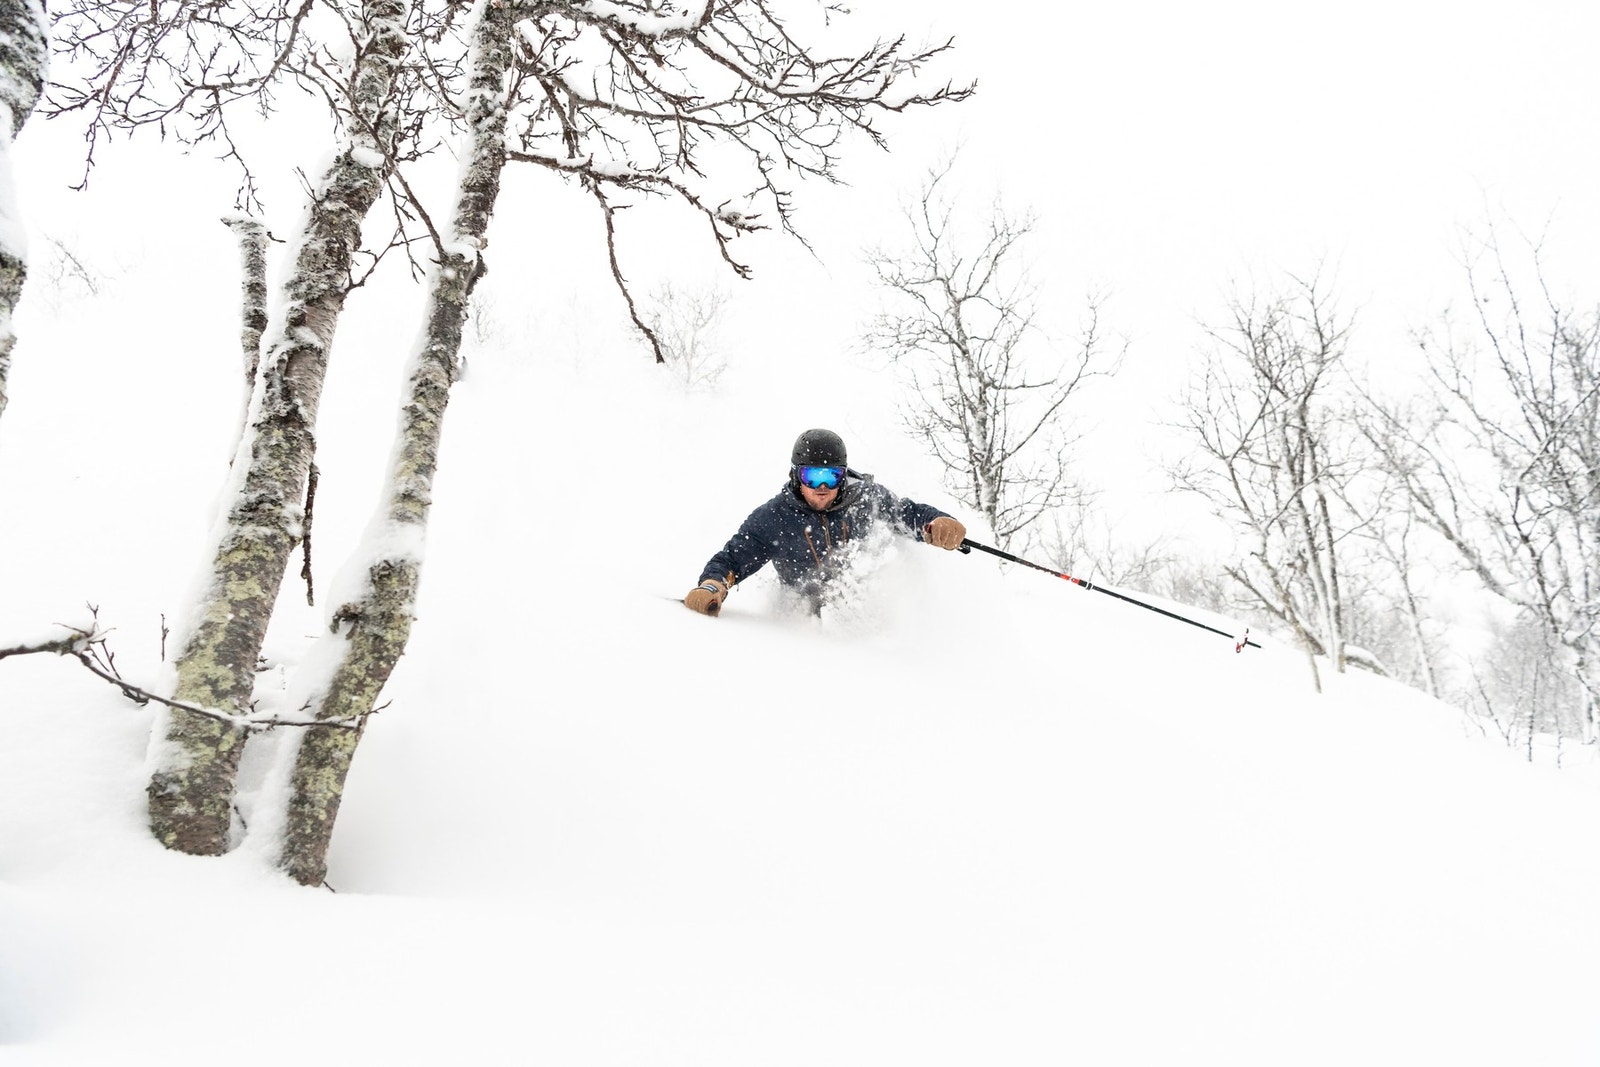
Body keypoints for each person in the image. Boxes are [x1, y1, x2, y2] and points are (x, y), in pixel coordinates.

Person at [684, 428, 967, 615]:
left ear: (843, 477)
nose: (822, 487)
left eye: (831, 476)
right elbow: (732, 559)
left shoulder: (865, 500)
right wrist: (711, 586)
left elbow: (908, 514)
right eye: (812, 476)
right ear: (796, 476)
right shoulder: (776, 517)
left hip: (863, 619)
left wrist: (939, 522)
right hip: (806, 625)